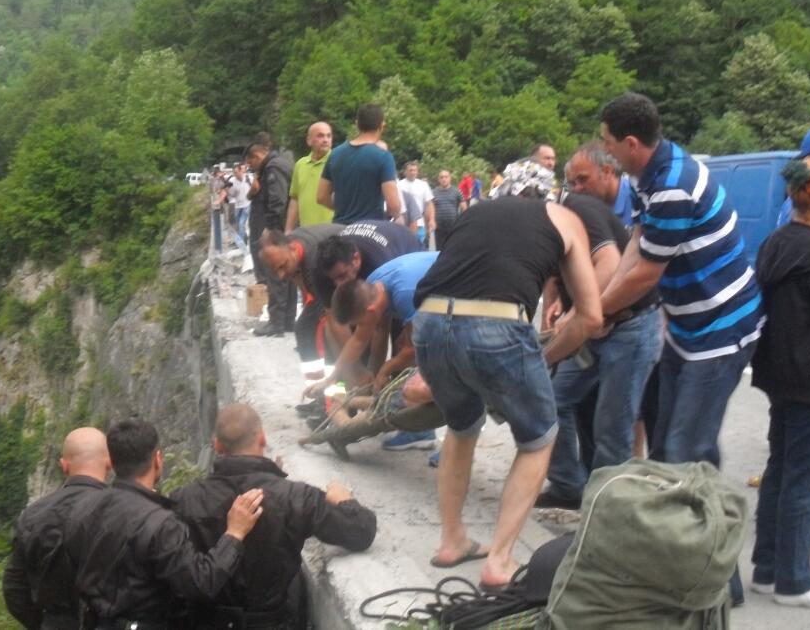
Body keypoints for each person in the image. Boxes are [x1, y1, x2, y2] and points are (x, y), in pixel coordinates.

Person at [599, 94, 763, 604]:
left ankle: (709, 582)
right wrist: (600, 303)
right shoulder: (648, 176)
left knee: (680, 454)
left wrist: (595, 314)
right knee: (689, 447)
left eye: (607, 144)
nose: (605, 153)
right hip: (689, 330)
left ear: (631, 143)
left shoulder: (672, 184)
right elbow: (637, 243)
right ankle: (709, 567)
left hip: (720, 333)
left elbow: (648, 273)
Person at [412, 196, 602, 590]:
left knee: (461, 428)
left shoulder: (476, 212)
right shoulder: (567, 219)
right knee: (539, 438)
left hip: (429, 323)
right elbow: (592, 316)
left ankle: (451, 541)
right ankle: (499, 560)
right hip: (494, 326)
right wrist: (545, 355)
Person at [173, 404, 376, 628]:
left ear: (217, 445)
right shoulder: (296, 496)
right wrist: (344, 499)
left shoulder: (184, 499)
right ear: (262, 438)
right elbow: (361, 532)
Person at [749, 155, 810, 611]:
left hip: (780, 374)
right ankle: (795, 580)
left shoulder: (776, 243)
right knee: (804, 483)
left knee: (779, 473)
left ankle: (768, 570)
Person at [65, 418, 265, 627]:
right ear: (158, 460)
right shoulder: (160, 523)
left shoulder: (82, 509)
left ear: (112, 463)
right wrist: (234, 534)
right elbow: (201, 584)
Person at [537, 190, 663, 509]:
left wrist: (574, 313)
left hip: (630, 327)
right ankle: (568, 485)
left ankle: (605, 512)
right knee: (550, 399)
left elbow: (609, 264)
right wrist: (557, 306)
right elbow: (557, 275)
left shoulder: (578, 207)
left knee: (613, 427)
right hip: (594, 328)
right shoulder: (550, 222)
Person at [327, 252, 441, 450]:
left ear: (370, 311)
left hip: (472, 293)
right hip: (442, 294)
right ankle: (417, 424)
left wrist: (385, 370)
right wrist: (332, 376)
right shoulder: (372, 286)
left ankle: (428, 431)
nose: (360, 328)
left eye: (359, 323)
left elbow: (415, 348)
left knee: (442, 368)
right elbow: (359, 339)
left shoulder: (404, 295)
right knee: (402, 345)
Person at [3, 427, 111, 630]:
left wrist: (44, 623)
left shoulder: (32, 516)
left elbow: (14, 589)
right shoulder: (126, 513)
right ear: (109, 463)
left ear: (64, 465)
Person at [257, 225, 344, 377]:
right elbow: (307, 293)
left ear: (292, 249)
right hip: (332, 280)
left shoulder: (313, 263)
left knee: (319, 332)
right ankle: (316, 389)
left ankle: (332, 389)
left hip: (351, 271)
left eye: (282, 267)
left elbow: (326, 315)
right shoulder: (293, 246)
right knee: (305, 327)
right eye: (276, 271)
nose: (281, 275)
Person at [317, 104, 402, 224]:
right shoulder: (383, 157)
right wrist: (393, 214)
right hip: (370, 229)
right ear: (382, 126)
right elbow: (393, 205)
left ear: (357, 124)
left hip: (341, 229)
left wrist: (343, 209)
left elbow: (321, 196)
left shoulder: (335, 154)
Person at [246, 140, 297, 337]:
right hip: (289, 229)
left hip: (279, 230)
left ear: (257, 156)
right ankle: (288, 322)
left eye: (251, 164)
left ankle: (276, 323)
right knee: (290, 275)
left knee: (276, 274)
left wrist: (270, 230)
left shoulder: (272, 168)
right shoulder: (283, 163)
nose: (252, 168)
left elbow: (277, 200)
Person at [563, 141, 635, 230]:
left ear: (606, 172)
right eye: (572, 184)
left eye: (583, 179)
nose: (577, 188)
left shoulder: (638, 198)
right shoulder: (583, 209)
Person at [286, 122, 335, 231]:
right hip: (306, 232)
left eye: (329, 135)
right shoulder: (300, 164)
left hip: (332, 231)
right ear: (309, 140)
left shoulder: (338, 161)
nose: (326, 140)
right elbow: (295, 199)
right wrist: (288, 230)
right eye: (320, 136)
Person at [398, 161, 435, 246]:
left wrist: (431, 220)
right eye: (410, 170)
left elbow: (429, 204)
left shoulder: (423, 185)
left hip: (419, 224)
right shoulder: (399, 185)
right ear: (405, 172)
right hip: (403, 224)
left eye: (415, 170)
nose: (413, 172)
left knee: (418, 248)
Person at [431, 170, 465, 250]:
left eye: (446, 177)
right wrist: (431, 221)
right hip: (439, 227)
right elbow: (430, 208)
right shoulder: (433, 192)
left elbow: (464, 207)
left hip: (453, 225)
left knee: (453, 248)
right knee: (439, 250)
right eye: (441, 177)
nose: (444, 179)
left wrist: (462, 221)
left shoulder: (457, 191)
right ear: (438, 179)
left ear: (450, 178)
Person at [228, 163, 254, 248]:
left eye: (237, 172)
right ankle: (244, 239)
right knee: (238, 226)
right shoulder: (232, 181)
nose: (236, 174)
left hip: (247, 204)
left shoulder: (249, 178)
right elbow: (231, 194)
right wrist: (228, 191)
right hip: (238, 206)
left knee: (241, 224)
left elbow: (256, 188)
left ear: (241, 171)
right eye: (234, 173)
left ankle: (242, 245)